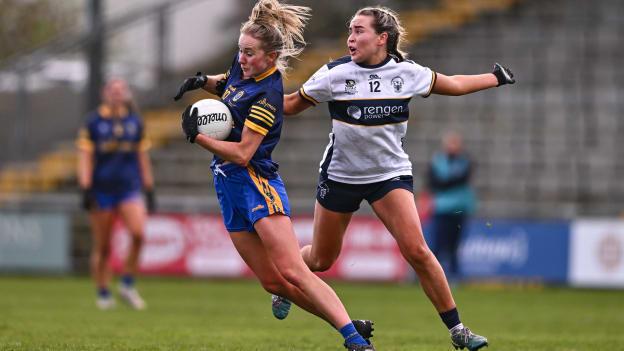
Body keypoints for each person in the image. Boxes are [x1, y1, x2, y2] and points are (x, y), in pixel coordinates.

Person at [275, 6, 515, 351]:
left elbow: (456, 84)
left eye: (359, 31)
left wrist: (495, 77)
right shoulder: (333, 74)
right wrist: (236, 92)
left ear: (382, 38)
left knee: (417, 250)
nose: (350, 38)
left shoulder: (407, 73)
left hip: (389, 174)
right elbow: (288, 105)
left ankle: (458, 330)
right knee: (321, 261)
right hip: (340, 176)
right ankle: (288, 278)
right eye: (350, 31)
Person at [173, 1, 374, 350]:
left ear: (270, 57)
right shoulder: (242, 68)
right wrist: (203, 81)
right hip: (227, 185)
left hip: (256, 185)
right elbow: (230, 86)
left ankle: (354, 339)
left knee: (294, 271)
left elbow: (242, 153)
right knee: (273, 283)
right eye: (240, 51)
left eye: (250, 54)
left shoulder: (267, 96)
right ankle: (344, 321)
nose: (242, 59)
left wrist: (199, 136)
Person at [76, 78, 156, 310]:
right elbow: (85, 158)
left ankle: (127, 284)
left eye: (121, 91)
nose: (117, 95)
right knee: (103, 246)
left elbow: (142, 158)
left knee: (139, 234)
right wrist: (85, 188)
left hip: (129, 189)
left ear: (127, 94)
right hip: (102, 190)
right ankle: (102, 292)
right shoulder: (93, 122)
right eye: (113, 90)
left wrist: (149, 188)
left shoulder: (135, 122)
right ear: (105, 93)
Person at [428, 131, 476, 282]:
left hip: (459, 208)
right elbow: (434, 183)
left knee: (454, 244)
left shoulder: (465, 161)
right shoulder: (438, 161)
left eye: (455, 143)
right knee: (437, 244)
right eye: (450, 143)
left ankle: (454, 275)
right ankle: (432, 276)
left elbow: (461, 179)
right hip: (441, 209)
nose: (453, 147)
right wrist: (450, 181)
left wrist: (445, 182)